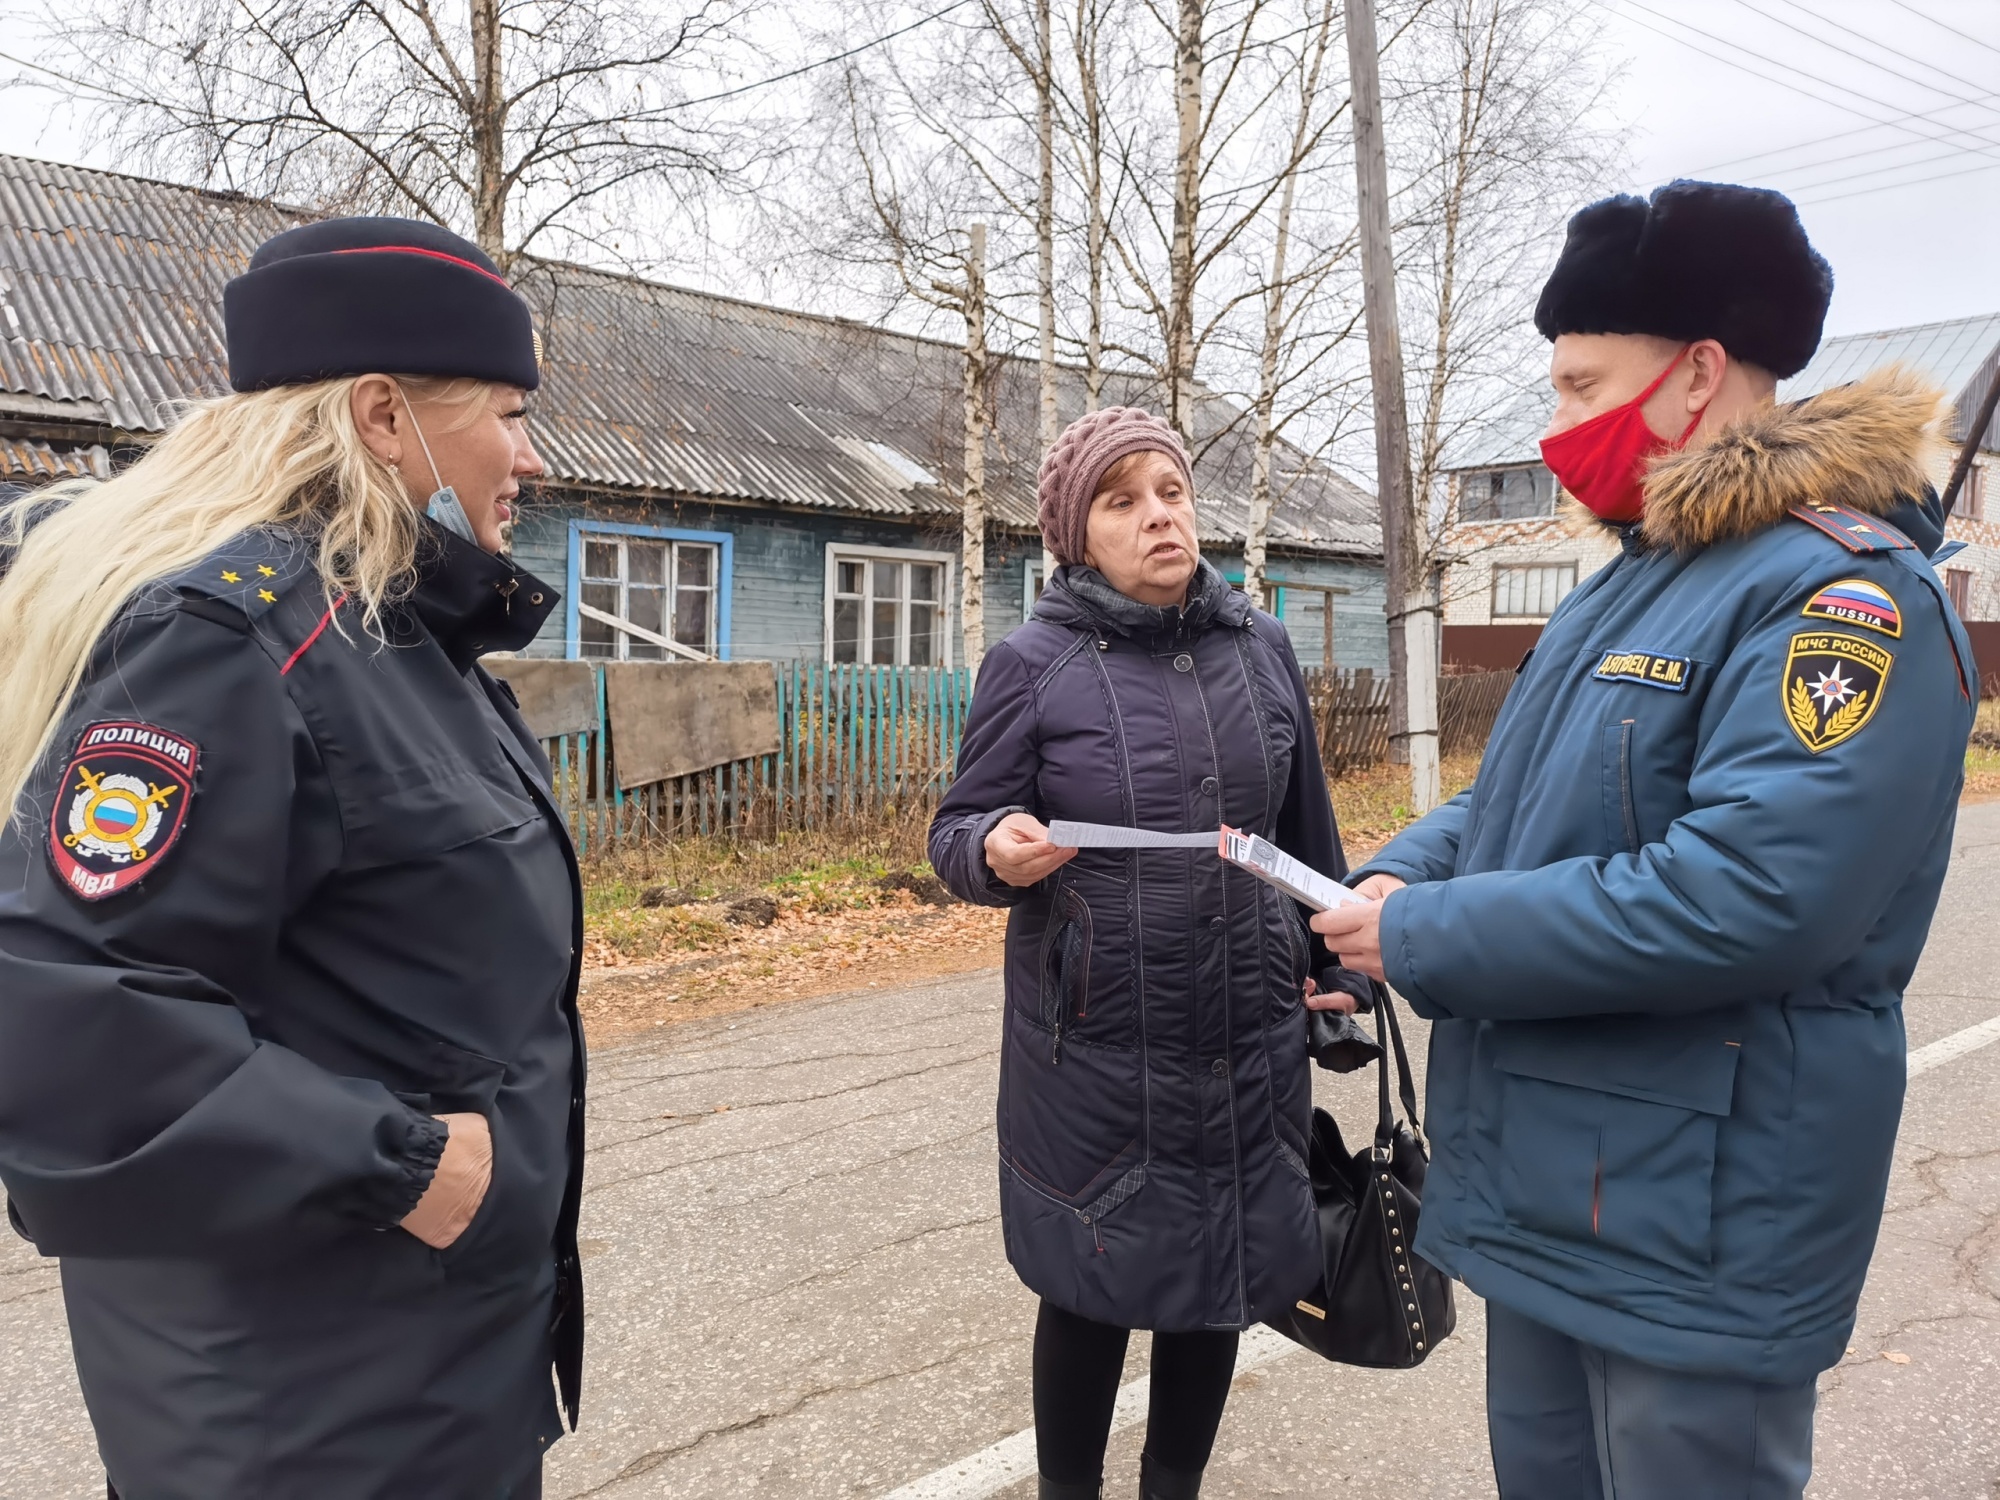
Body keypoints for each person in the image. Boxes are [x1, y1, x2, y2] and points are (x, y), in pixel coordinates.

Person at [1311, 180, 1978, 1499]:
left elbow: (1750, 895)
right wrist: (1400, 878)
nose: (1556, 426)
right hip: (1551, 1187)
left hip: (1698, 1213)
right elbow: (1522, 805)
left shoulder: (1844, 596)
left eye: (1580, 384)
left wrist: (1425, 938)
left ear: (1698, 376)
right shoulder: (1638, 581)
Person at [0, 217, 585, 1499]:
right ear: (385, 415)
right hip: (302, 1419)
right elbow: (58, 1033)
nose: (528, 455)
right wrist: (409, 1165)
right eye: (505, 409)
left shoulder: (398, 645)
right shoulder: (228, 645)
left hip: (421, 1373)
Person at [929, 407, 1372, 1500]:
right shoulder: (1030, 664)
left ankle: (1171, 1487)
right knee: (1089, 1286)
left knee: (1220, 1275)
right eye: (1120, 501)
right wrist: (993, 848)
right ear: (1078, 536)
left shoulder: (1258, 648)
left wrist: (1342, 973)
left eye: (1167, 490)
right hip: (1092, 1051)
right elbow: (956, 827)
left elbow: (1304, 834)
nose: (1156, 516)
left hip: (1245, 1024)